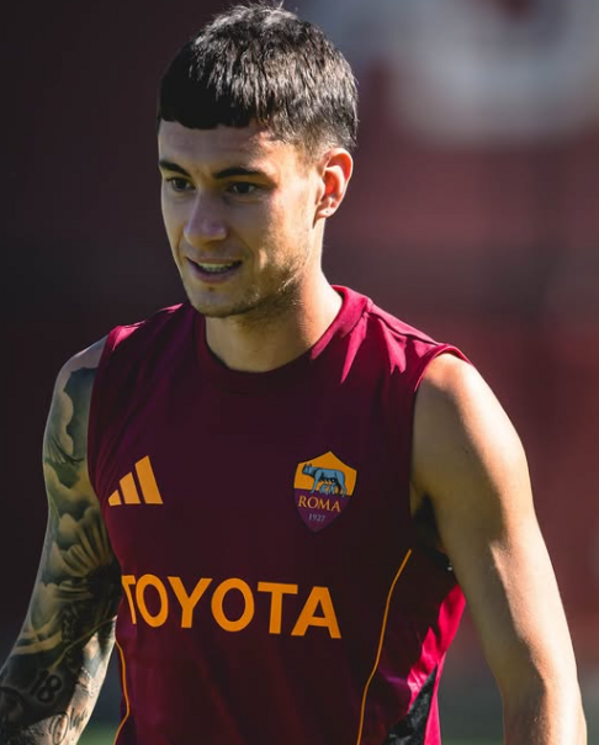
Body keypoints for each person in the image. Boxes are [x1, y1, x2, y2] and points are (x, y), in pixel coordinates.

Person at [0, 3, 587, 744]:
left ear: (329, 184)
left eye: (241, 186)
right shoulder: (101, 389)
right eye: (178, 181)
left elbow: (542, 688)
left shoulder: (431, 406)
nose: (201, 227)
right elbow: (51, 668)